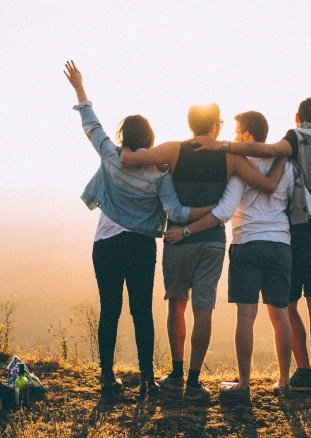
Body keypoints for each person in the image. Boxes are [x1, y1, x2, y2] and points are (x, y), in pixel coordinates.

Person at [164, 111, 311, 400]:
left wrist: (186, 230)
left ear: (248, 135)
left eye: (238, 133)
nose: (235, 137)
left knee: (246, 317)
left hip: (247, 245)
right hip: (281, 247)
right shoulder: (285, 166)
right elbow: (309, 205)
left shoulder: (241, 167)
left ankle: (244, 385)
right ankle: (285, 382)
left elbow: (224, 212)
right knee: (280, 316)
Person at [64, 61, 215, 399]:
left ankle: (107, 378)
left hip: (106, 243)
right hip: (141, 246)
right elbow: (175, 211)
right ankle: (147, 380)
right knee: (141, 312)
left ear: (124, 137)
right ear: (150, 138)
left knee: (110, 309)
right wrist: (214, 210)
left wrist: (79, 88)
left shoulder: (112, 157)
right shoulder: (159, 173)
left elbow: (92, 126)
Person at [120, 105, 286, 400]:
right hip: (212, 241)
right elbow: (268, 185)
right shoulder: (230, 158)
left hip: (177, 240)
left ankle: (176, 375)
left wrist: (124, 146)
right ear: (215, 128)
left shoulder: (173, 150)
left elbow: (131, 158)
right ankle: (195, 383)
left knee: (176, 303)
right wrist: (283, 155)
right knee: (203, 308)